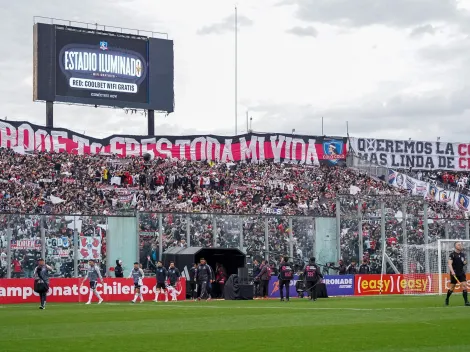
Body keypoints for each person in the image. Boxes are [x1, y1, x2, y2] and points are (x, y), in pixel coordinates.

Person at [445, 242, 470, 306]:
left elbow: (463, 262)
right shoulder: (452, 255)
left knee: (464, 286)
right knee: (452, 288)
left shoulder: (463, 255)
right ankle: (447, 299)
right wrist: (452, 271)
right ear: (455, 246)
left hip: (461, 272)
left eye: (461, 245)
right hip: (454, 273)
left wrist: (465, 262)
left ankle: (466, 302)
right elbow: (449, 264)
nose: (460, 246)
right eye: (458, 245)